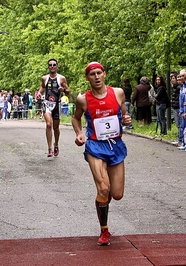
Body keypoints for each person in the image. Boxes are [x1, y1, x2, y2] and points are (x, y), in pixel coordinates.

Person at [72, 62, 131, 246]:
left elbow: (124, 114)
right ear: (87, 78)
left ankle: (102, 202)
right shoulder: (83, 99)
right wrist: (79, 133)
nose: (96, 77)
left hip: (115, 146)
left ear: (104, 74)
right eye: (92, 74)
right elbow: (76, 118)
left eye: (99, 73)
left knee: (117, 193)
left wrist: (127, 119)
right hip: (96, 146)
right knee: (103, 188)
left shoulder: (118, 93)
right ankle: (104, 230)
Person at [37, 59, 70, 157]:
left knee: (56, 128)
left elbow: (68, 91)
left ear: (57, 66)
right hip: (47, 104)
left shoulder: (61, 78)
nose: (52, 66)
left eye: (54, 65)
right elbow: (42, 87)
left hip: (57, 104)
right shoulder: (44, 78)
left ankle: (56, 144)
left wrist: (63, 89)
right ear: (48, 67)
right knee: (48, 124)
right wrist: (39, 92)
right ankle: (49, 148)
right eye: (50, 65)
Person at [171, 73, 182, 145]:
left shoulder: (179, 88)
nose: (172, 80)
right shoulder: (175, 87)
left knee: (179, 124)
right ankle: (180, 138)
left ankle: (180, 139)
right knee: (178, 124)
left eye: (173, 78)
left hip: (178, 107)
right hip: (175, 106)